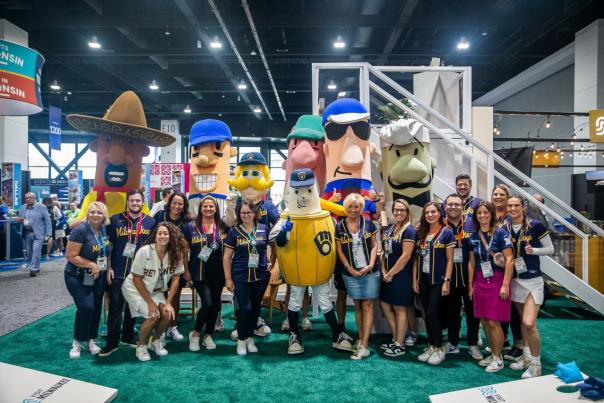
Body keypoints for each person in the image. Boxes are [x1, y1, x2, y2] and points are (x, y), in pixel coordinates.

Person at [99, 189, 156, 357]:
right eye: (132, 201)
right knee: (116, 308)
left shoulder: (150, 222)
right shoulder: (115, 220)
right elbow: (107, 247)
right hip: (118, 271)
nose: (135, 204)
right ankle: (111, 342)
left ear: (143, 202)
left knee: (133, 307)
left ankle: (128, 336)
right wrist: (108, 267)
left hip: (139, 274)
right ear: (127, 202)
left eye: (138, 201)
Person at [121, 222, 185, 361]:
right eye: (160, 233)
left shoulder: (176, 253)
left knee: (168, 315)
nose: (163, 236)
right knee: (153, 315)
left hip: (156, 290)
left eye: (166, 233)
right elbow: (137, 279)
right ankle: (141, 346)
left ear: (171, 236)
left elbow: (176, 280)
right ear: (155, 236)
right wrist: (150, 303)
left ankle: (155, 341)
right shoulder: (144, 251)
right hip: (135, 288)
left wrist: (168, 302)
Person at [506, 195, 554, 378]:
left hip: (533, 280)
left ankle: (536, 364)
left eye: (516, 205)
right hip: (515, 280)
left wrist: (535, 251)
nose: (512, 209)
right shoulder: (505, 227)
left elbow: (551, 249)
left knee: (529, 322)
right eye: (510, 206)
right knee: (522, 321)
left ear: (522, 207)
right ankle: (526, 358)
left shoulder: (535, 225)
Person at [468, 201, 514, 373]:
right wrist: (471, 285)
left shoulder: (501, 233)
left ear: (491, 214)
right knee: (485, 320)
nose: (482, 216)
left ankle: (498, 357)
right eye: (479, 213)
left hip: (497, 280)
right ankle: (493, 353)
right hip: (480, 280)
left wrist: (505, 285)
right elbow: (472, 263)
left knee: (494, 321)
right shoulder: (473, 236)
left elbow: (509, 260)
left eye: (485, 213)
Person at [64, 202, 111, 358]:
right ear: (87, 213)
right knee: (86, 307)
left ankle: (91, 340)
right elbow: (70, 256)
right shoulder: (81, 230)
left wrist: (108, 267)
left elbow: (107, 251)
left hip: (98, 276)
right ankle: (77, 341)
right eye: (92, 212)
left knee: (97, 308)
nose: (96, 215)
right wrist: (91, 264)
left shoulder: (104, 230)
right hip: (77, 275)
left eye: (99, 212)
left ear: (104, 215)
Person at [335, 193, 379, 360]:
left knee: (367, 305)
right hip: (350, 272)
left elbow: (375, 245)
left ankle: (365, 346)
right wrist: (349, 268)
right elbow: (339, 250)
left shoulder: (369, 224)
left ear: (361, 208)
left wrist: (370, 265)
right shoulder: (339, 226)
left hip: (369, 271)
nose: (353, 210)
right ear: (346, 208)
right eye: (350, 207)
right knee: (358, 306)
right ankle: (361, 339)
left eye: (357, 207)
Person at [223, 200, 270, 356]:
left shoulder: (264, 229)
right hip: (240, 276)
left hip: (261, 276)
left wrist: (273, 262)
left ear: (254, 214)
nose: (246, 215)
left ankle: (250, 338)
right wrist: (228, 279)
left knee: (256, 308)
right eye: (243, 213)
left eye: (249, 212)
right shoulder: (234, 232)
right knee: (245, 308)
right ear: (239, 214)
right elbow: (227, 257)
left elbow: (274, 248)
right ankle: (241, 340)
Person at [182, 196, 226, 352]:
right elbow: (184, 250)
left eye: (211, 206)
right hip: (198, 271)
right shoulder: (190, 227)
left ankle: (208, 335)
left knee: (215, 304)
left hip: (218, 273)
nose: (208, 209)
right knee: (207, 303)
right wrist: (185, 270)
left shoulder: (222, 226)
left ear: (216, 208)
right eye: (205, 206)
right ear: (200, 208)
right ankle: (195, 334)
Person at [412, 202, 454, 365]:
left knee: (432, 314)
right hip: (423, 280)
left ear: (439, 213)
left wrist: (447, 281)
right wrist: (415, 279)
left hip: (438, 280)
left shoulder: (446, 232)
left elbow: (450, 260)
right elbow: (416, 258)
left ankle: (439, 347)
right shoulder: (421, 233)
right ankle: (431, 345)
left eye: (433, 212)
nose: (430, 215)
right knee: (425, 313)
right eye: (427, 212)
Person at [442, 194, 482, 360]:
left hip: (469, 278)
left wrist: (472, 282)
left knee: (473, 313)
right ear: (445, 207)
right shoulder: (440, 226)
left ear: (462, 207)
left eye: (456, 204)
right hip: (449, 277)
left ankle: (473, 344)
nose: (453, 207)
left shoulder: (472, 225)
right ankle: (453, 343)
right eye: (450, 204)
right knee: (452, 312)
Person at [379, 199, 416, 357]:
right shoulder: (390, 228)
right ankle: (396, 338)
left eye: (402, 210)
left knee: (400, 308)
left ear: (407, 212)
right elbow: (383, 251)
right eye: (396, 210)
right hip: (387, 274)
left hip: (401, 275)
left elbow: (406, 256)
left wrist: (390, 273)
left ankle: (400, 345)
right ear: (392, 212)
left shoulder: (409, 230)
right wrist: (383, 271)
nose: (399, 213)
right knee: (385, 305)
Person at [153, 191, 190, 342]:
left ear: (184, 206)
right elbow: (151, 238)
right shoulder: (159, 216)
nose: (177, 206)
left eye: (180, 204)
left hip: (176, 263)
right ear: (169, 203)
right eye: (174, 202)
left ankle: (172, 327)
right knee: (159, 296)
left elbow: (186, 248)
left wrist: (186, 270)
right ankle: (160, 328)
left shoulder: (187, 222)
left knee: (174, 297)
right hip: (158, 262)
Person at [491, 184, 522, 359]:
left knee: (514, 308)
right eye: (495, 194)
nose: (498, 197)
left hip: (512, 268)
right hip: (495, 270)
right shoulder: (490, 215)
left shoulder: (512, 217)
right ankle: (503, 341)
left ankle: (519, 343)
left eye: (502, 194)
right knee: (500, 307)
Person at [17, 192, 52, 277]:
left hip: (39, 233)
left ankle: (33, 269)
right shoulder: (23, 207)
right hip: (27, 233)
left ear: (34, 198)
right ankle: (36, 266)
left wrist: (49, 233)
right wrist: (20, 220)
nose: (28, 199)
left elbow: (47, 220)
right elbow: (20, 218)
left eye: (30, 197)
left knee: (36, 250)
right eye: (26, 198)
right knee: (29, 252)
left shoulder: (42, 207)